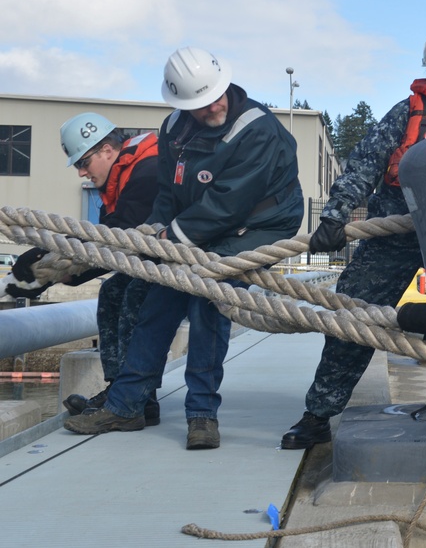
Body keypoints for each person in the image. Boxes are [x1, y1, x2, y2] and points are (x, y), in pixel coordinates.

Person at [64, 47, 303, 450]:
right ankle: (127, 405)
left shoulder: (257, 130)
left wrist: (172, 238)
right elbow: (168, 191)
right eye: (201, 104)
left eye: (215, 97)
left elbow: (230, 203)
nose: (213, 108)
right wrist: (158, 227)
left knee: (208, 303)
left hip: (258, 224)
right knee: (158, 300)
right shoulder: (174, 127)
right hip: (200, 222)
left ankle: (202, 415)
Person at [282, 26, 426, 449]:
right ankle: (319, 414)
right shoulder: (405, 113)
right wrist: (335, 215)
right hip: (394, 235)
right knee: (354, 317)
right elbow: (366, 164)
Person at [10, 113, 160, 421]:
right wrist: (57, 274)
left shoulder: (147, 172)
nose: (81, 173)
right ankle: (125, 391)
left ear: (107, 149)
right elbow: (106, 249)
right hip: (153, 264)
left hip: (182, 266)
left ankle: (131, 400)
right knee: (113, 291)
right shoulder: (119, 182)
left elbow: (120, 235)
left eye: (84, 162)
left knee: (131, 293)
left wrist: (47, 257)